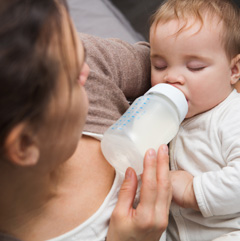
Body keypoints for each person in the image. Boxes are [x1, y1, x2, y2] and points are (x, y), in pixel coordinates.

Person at [0, 0, 172, 240]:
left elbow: (202, 64)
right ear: (25, 144)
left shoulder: (76, 55)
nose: (86, 70)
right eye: (72, 77)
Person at [148, 0, 240, 240]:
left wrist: (192, 191)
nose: (171, 77)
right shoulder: (163, 116)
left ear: (233, 70)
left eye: (194, 67)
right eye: (159, 65)